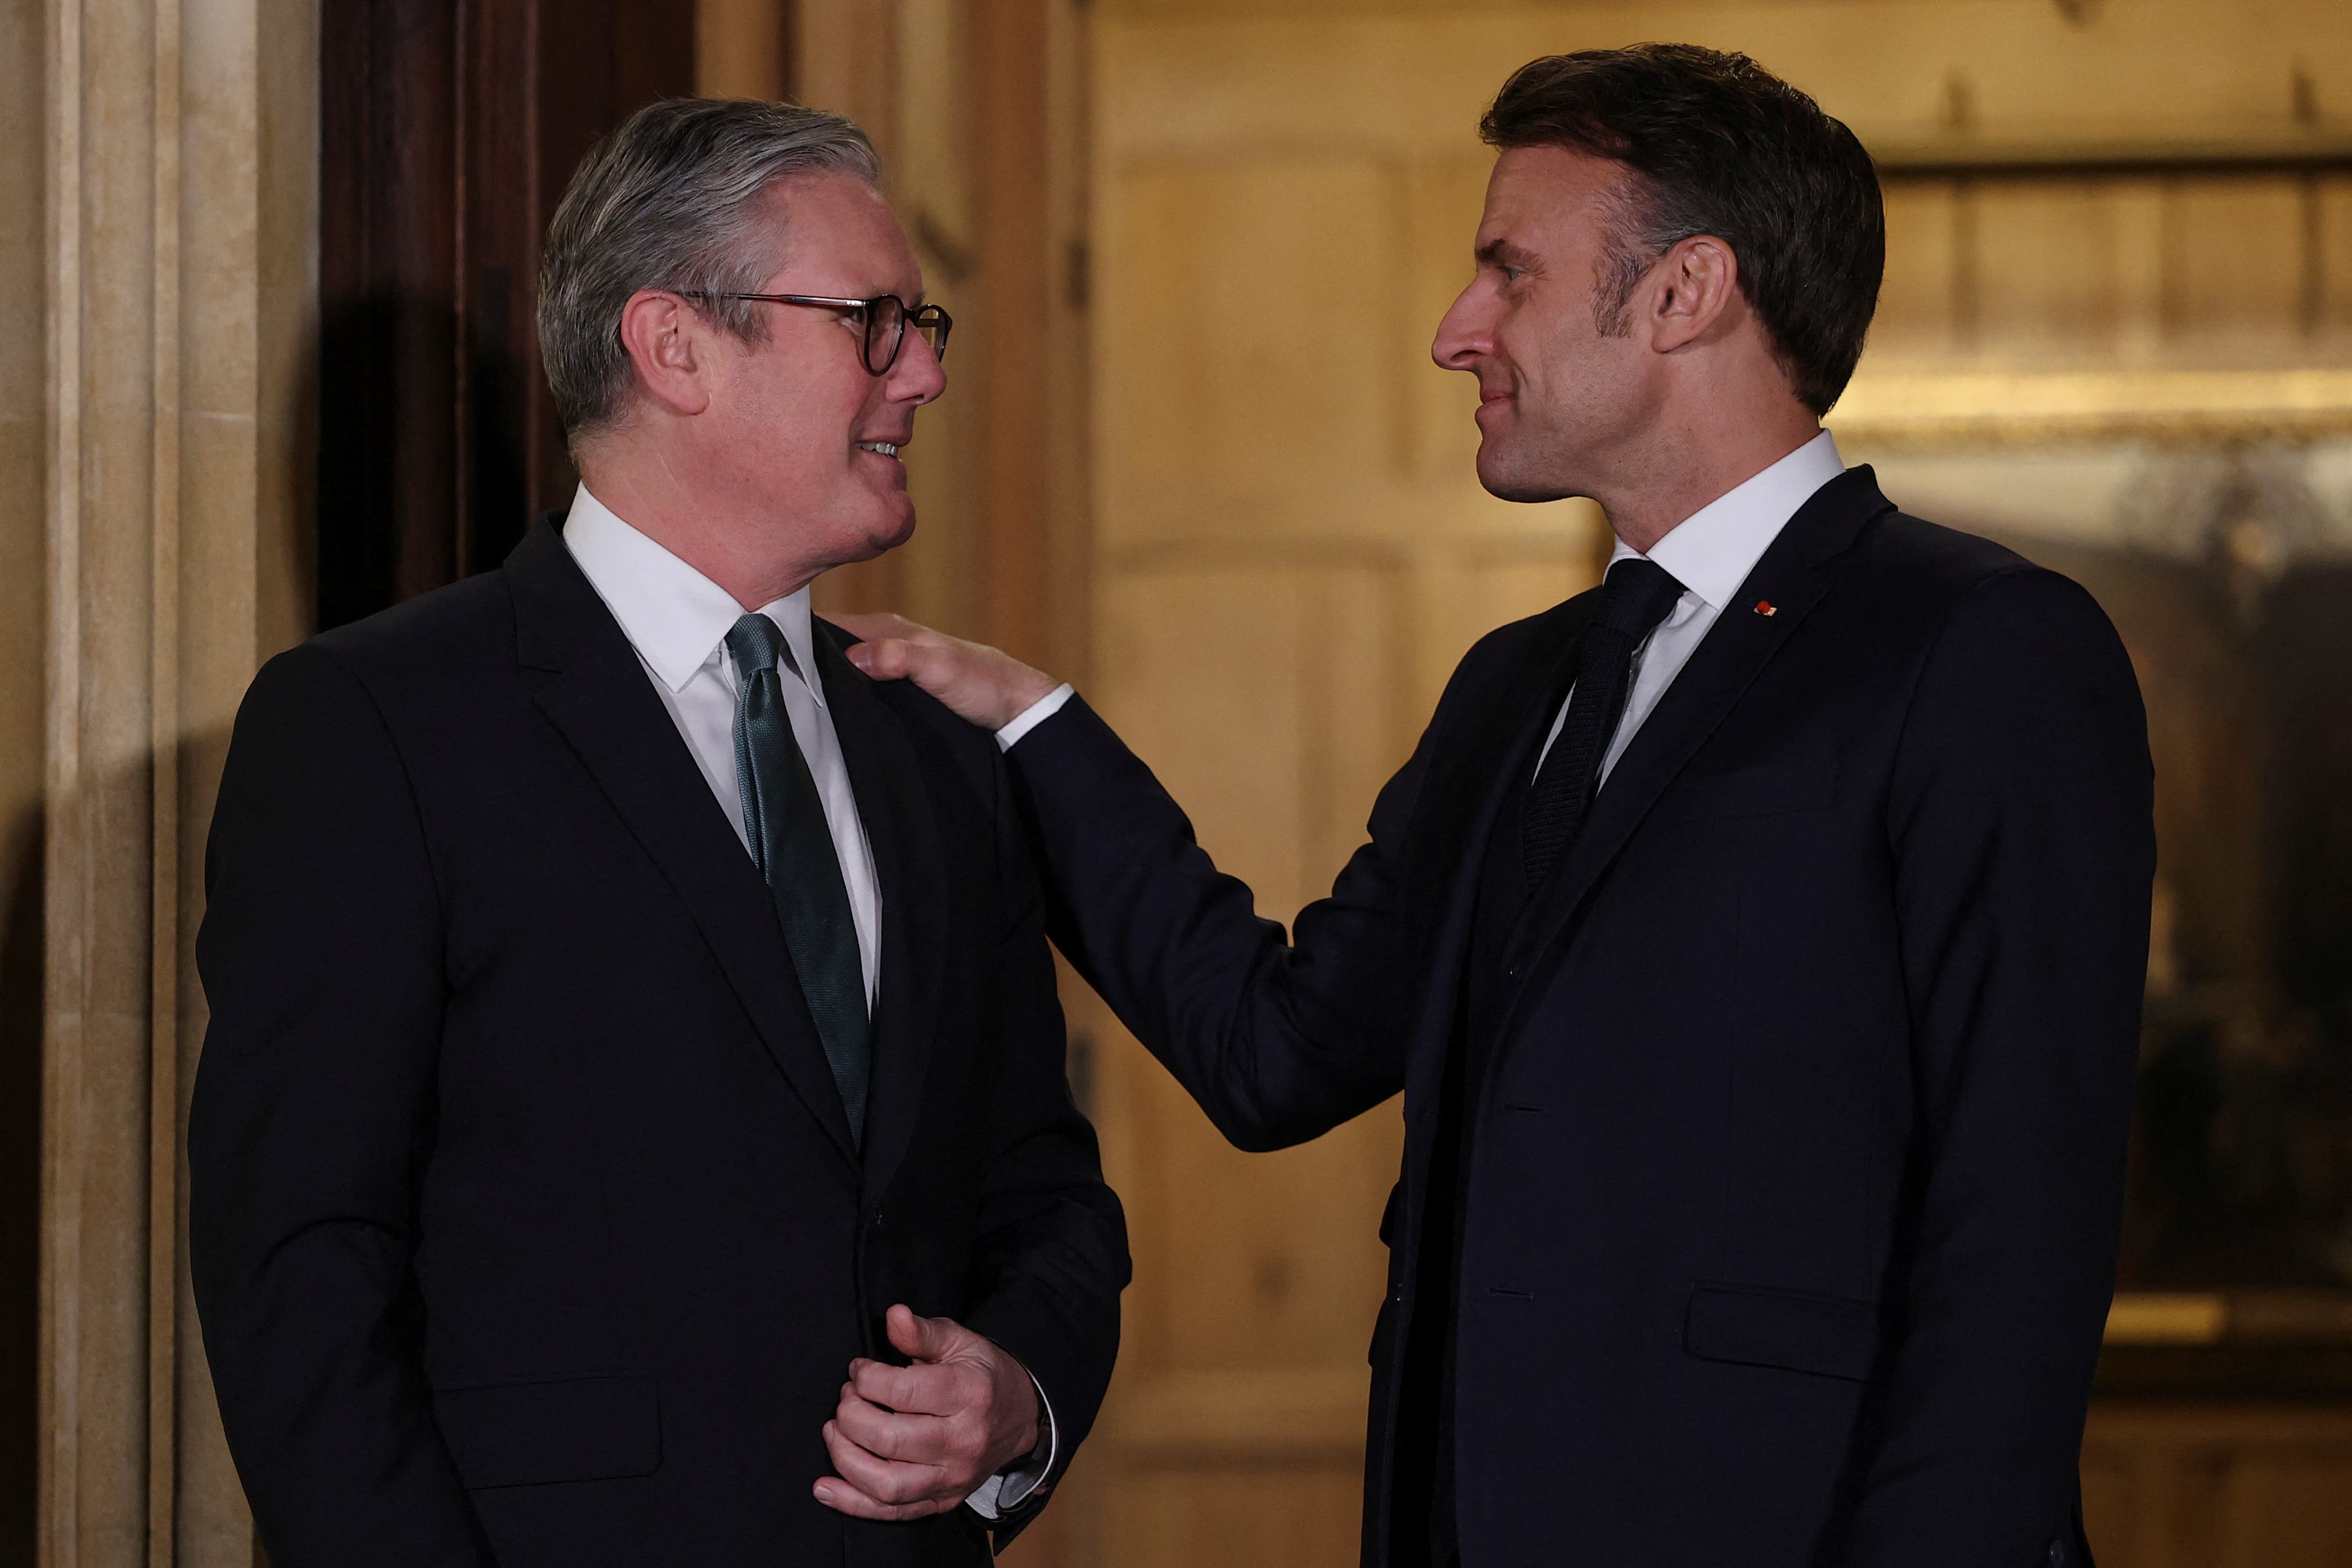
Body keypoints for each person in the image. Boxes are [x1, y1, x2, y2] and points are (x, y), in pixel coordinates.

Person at [844, 44, 2153, 1568]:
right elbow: (1277, 1052)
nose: (1458, 332)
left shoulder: (1984, 648)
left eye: (1508, 271)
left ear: (1687, 292)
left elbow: (2022, 1237)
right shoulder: (1517, 686)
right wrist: (1035, 730)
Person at [189, 98, 1127, 1567]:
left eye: (922, 322)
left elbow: (1048, 1194)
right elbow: (303, 1276)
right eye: (874, 322)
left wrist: (1019, 1399)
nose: (927, 372)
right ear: (674, 344)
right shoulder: (375, 728)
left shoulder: (941, 750)